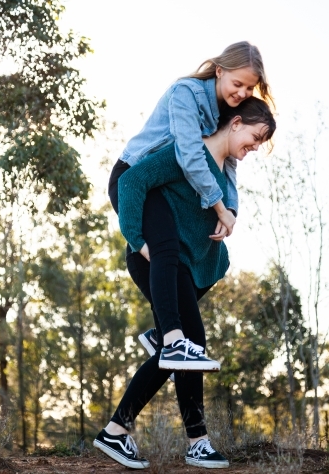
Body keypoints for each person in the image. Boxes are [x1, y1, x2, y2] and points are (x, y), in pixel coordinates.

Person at [94, 97, 276, 469]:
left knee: (177, 349)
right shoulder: (188, 153)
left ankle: (118, 429)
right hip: (157, 258)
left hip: (188, 268)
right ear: (236, 122)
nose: (255, 148)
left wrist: (228, 217)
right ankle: (197, 440)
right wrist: (137, 239)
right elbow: (132, 180)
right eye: (256, 138)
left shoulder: (225, 170)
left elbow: (223, 203)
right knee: (189, 345)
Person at [108, 41, 274, 371]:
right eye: (237, 84)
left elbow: (227, 167)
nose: (241, 92)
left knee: (207, 261)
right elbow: (188, 155)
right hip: (137, 175)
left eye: (249, 87)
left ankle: (163, 335)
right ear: (219, 70)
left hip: (165, 184)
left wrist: (231, 211)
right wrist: (217, 207)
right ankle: (171, 341)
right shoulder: (187, 93)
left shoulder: (224, 111)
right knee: (166, 247)